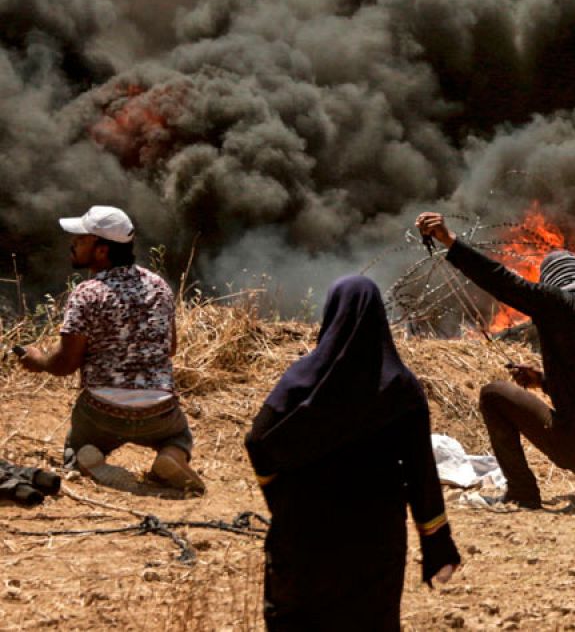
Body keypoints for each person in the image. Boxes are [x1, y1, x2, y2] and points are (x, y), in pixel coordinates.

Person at [246, 276, 461, 629]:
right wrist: (437, 543)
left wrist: (277, 493)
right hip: (374, 541)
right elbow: (421, 472)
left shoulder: (302, 378)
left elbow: (257, 441)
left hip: (302, 533)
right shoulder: (401, 386)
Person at [415, 213, 575, 508]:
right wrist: (542, 382)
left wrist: (451, 242)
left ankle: (522, 492)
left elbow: (505, 282)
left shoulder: (560, 303)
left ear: (552, 283)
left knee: (493, 395)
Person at [18, 206, 202, 493]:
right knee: (179, 436)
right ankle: (171, 456)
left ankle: (85, 458)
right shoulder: (159, 287)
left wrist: (38, 359)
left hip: (102, 413)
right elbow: (171, 347)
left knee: (76, 446)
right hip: (159, 411)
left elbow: (64, 364)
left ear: (102, 251)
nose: (73, 244)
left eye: (81, 240)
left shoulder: (87, 293)